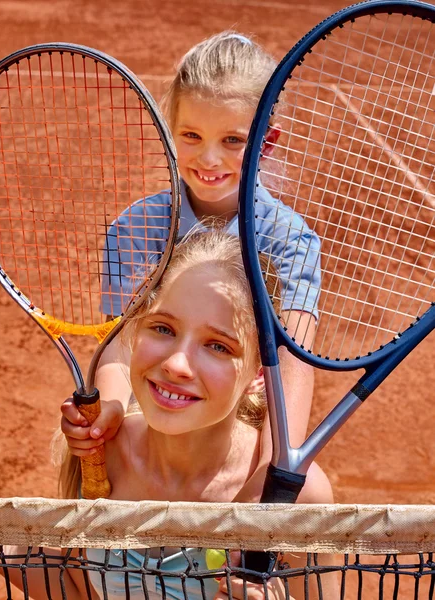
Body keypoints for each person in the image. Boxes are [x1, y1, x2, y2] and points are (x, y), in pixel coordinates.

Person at [0, 232, 337, 599]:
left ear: (259, 374)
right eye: (163, 328)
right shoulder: (100, 453)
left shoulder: (296, 495)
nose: (177, 364)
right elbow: (78, 587)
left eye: (218, 346)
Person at [62, 31, 330, 506]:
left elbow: (289, 376)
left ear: (267, 142)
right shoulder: (135, 229)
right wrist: (114, 413)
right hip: (156, 411)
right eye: (191, 135)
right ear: (171, 132)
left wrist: (266, 490)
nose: (209, 159)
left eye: (232, 140)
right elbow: (119, 348)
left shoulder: (292, 244)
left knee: (311, 494)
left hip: (234, 424)